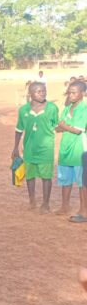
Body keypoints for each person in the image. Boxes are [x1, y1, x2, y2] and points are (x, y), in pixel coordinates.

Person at [12, 81, 58, 212]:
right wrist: (15, 147)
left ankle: (45, 204)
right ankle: (32, 201)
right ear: (30, 94)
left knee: (46, 176)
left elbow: (57, 126)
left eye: (44, 91)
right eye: (38, 91)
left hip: (46, 148)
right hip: (29, 148)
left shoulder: (52, 108)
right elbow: (19, 129)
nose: (42, 93)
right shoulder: (23, 110)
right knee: (30, 175)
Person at [55, 81, 87, 218]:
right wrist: (64, 125)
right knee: (65, 180)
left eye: (74, 92)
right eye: (69, 92)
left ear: (83, 93)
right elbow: (57, 128)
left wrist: (63, 125)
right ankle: (65, 206)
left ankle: (84, 209)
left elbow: (78, 130)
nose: (71, 95)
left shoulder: (84, 109)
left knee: (82, 183)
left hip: (79, 151)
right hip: (65, 149)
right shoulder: (67, 108)